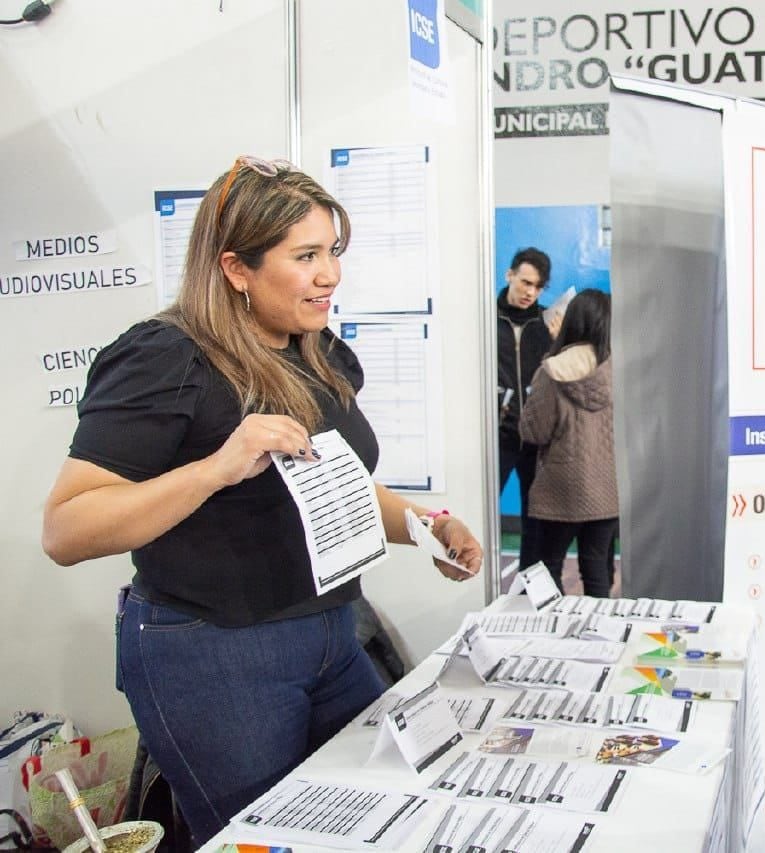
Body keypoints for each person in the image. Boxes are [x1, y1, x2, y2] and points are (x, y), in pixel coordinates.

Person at [41, 157, 483, 846]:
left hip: (333, 633)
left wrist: (424, 525)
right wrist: (216, 468)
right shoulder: (166, 359)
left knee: (383, 815)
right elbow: (67, 527)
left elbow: (329, 482)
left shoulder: (316, 349)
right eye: (305, 255)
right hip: (215, 656)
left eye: (332, 251)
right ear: (236, 268)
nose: (329, 273)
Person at [519, 289, 618, 597]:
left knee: (548, 565)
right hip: (607, 488)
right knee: (597, 566)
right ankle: (602, 637)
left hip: (559, 488)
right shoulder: (620, 371)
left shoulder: (552, 370)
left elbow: (534, 432)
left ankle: (556, 636)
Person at [497, 247, 554, 569]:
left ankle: (529, 586)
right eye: (525, 282)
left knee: (535, 515)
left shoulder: (546, 323)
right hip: (500, 433)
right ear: (510, 275)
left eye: (538, 286)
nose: (530, 292)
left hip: (535, 434)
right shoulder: (487, 318)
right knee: (483, 506)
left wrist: (559, 341)